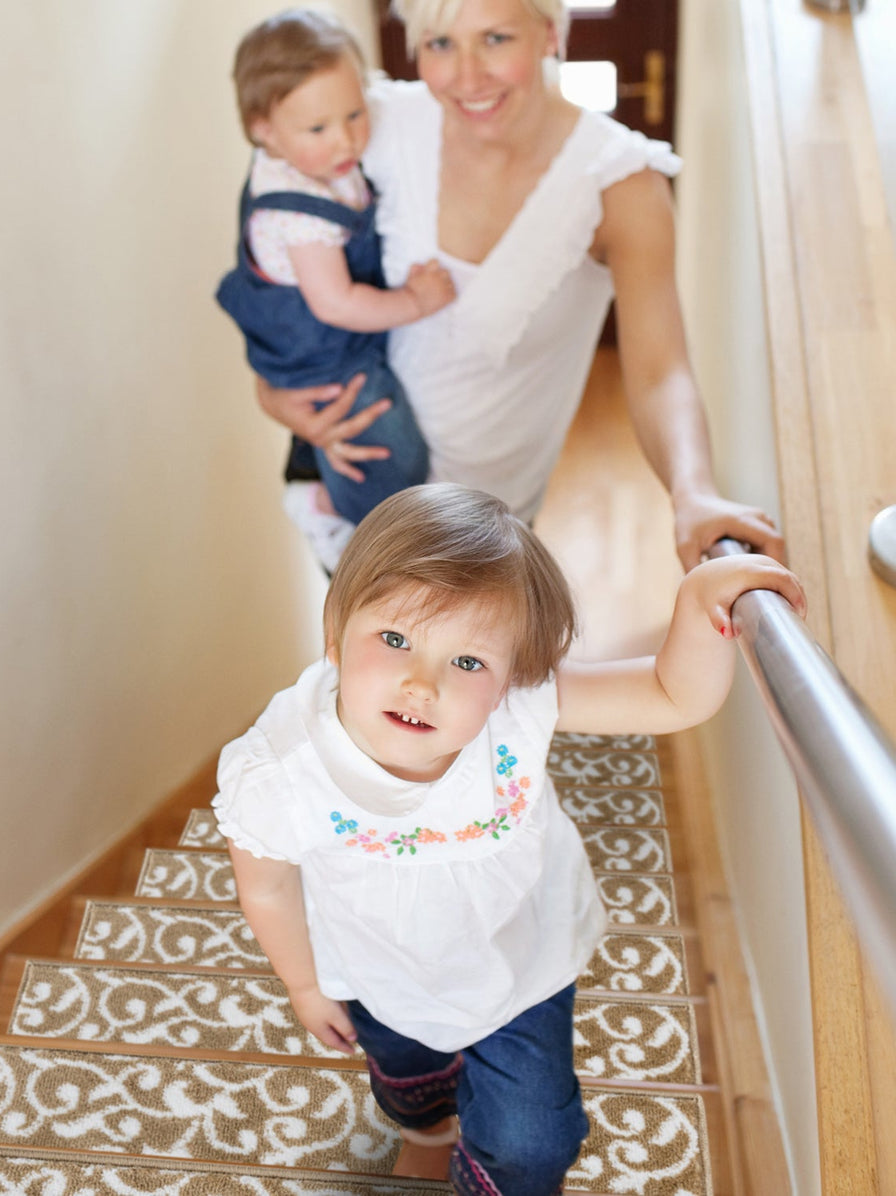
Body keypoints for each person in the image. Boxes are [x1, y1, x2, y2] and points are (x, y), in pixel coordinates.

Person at [212, 483, 805, 1196]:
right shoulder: (279, 771)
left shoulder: (516, 710)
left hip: (520, 959)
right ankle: (427, 1132)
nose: (422, 683)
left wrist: (701, 600)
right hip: (376, 967)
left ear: (509, 681)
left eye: (469, 662)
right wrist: (304, 985)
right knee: (410, 1080)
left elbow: (670, 695)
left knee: (533, 1142)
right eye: (395, 640)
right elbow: (268, 887)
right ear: (334, 633)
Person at [253, 0, 786, 573]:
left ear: (550, 32)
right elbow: (272, 255)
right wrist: (272, 393)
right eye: (440, 44)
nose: (467, 78)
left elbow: (661, 373)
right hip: (358, 503)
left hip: (485, 535)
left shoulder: (621, 184)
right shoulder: (371, 126)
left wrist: (694, 492)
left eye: (496, 39)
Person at [216, 8, 456, 567]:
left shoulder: (306, 159)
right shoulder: (297, 214)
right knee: (392, 457)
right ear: (264, 129)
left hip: (330, 344)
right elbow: (336, 302)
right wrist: (416, 301)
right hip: (324, 361)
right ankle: (330, 512)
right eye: (319, 128)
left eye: (355, 113)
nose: (346, 139)